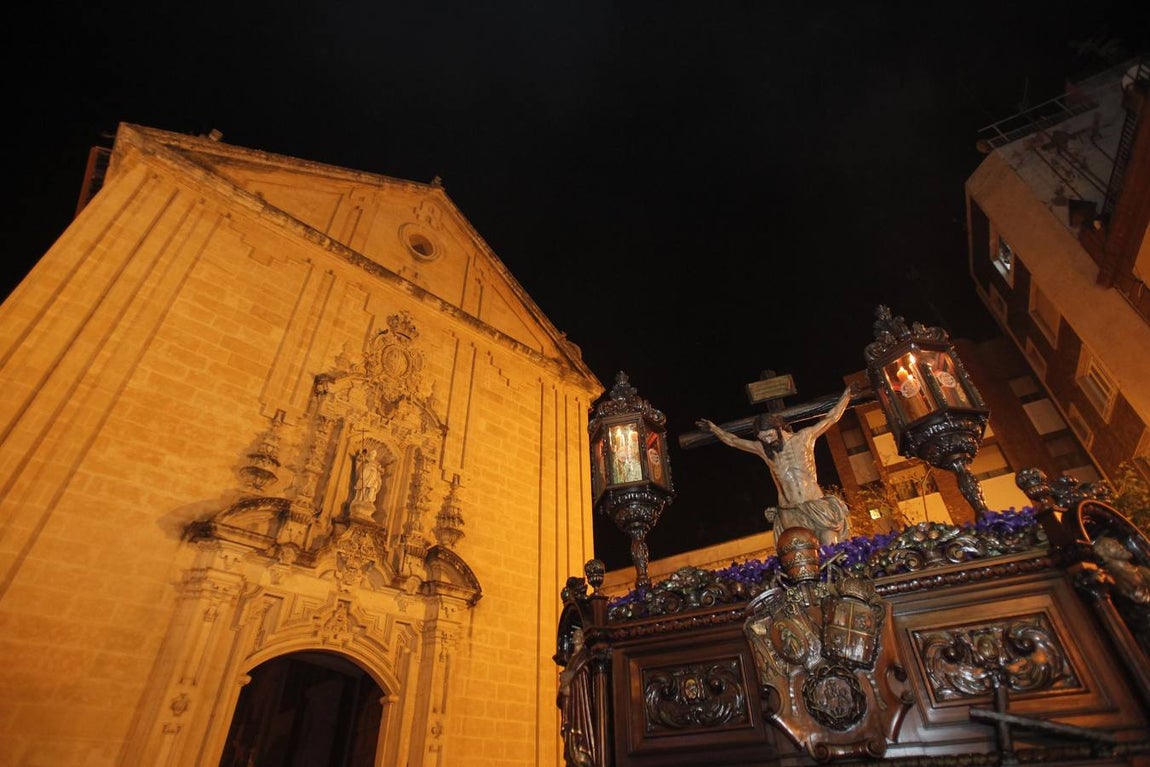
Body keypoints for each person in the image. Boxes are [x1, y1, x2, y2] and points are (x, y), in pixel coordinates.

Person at [697, 385, 855, 546]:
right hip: (791, 511)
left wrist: (847, 395)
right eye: (762, 437)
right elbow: (733, 441)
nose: (766, 440)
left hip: (816, 503)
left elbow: (832, 417)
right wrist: (713, 428)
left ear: (778, 428)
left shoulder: (804, 438)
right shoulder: (763, 450)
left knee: (831, 546)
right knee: (801, 555)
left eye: (769, 435)